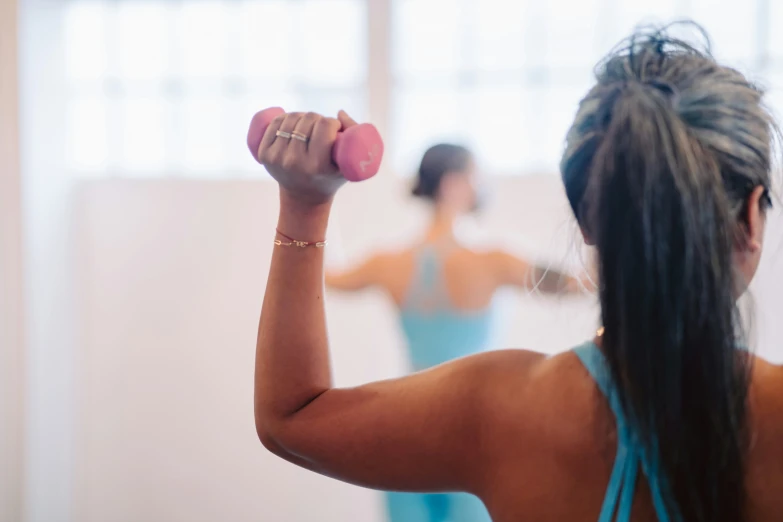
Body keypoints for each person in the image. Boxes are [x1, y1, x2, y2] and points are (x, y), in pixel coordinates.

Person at [253, 24, 783, 522]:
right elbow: (572, 283)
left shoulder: (494, 410)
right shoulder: (496, 262)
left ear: (587, 219)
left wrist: (306, 202)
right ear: (750, 214)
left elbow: (293, 416)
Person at [324, 144, 584, 522]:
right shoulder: (492, 261)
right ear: (454, 184)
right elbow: (581, 284)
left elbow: (329, 276)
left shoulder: (386, 262)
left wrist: (319, 194)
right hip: (473, 431)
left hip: (403, 426)